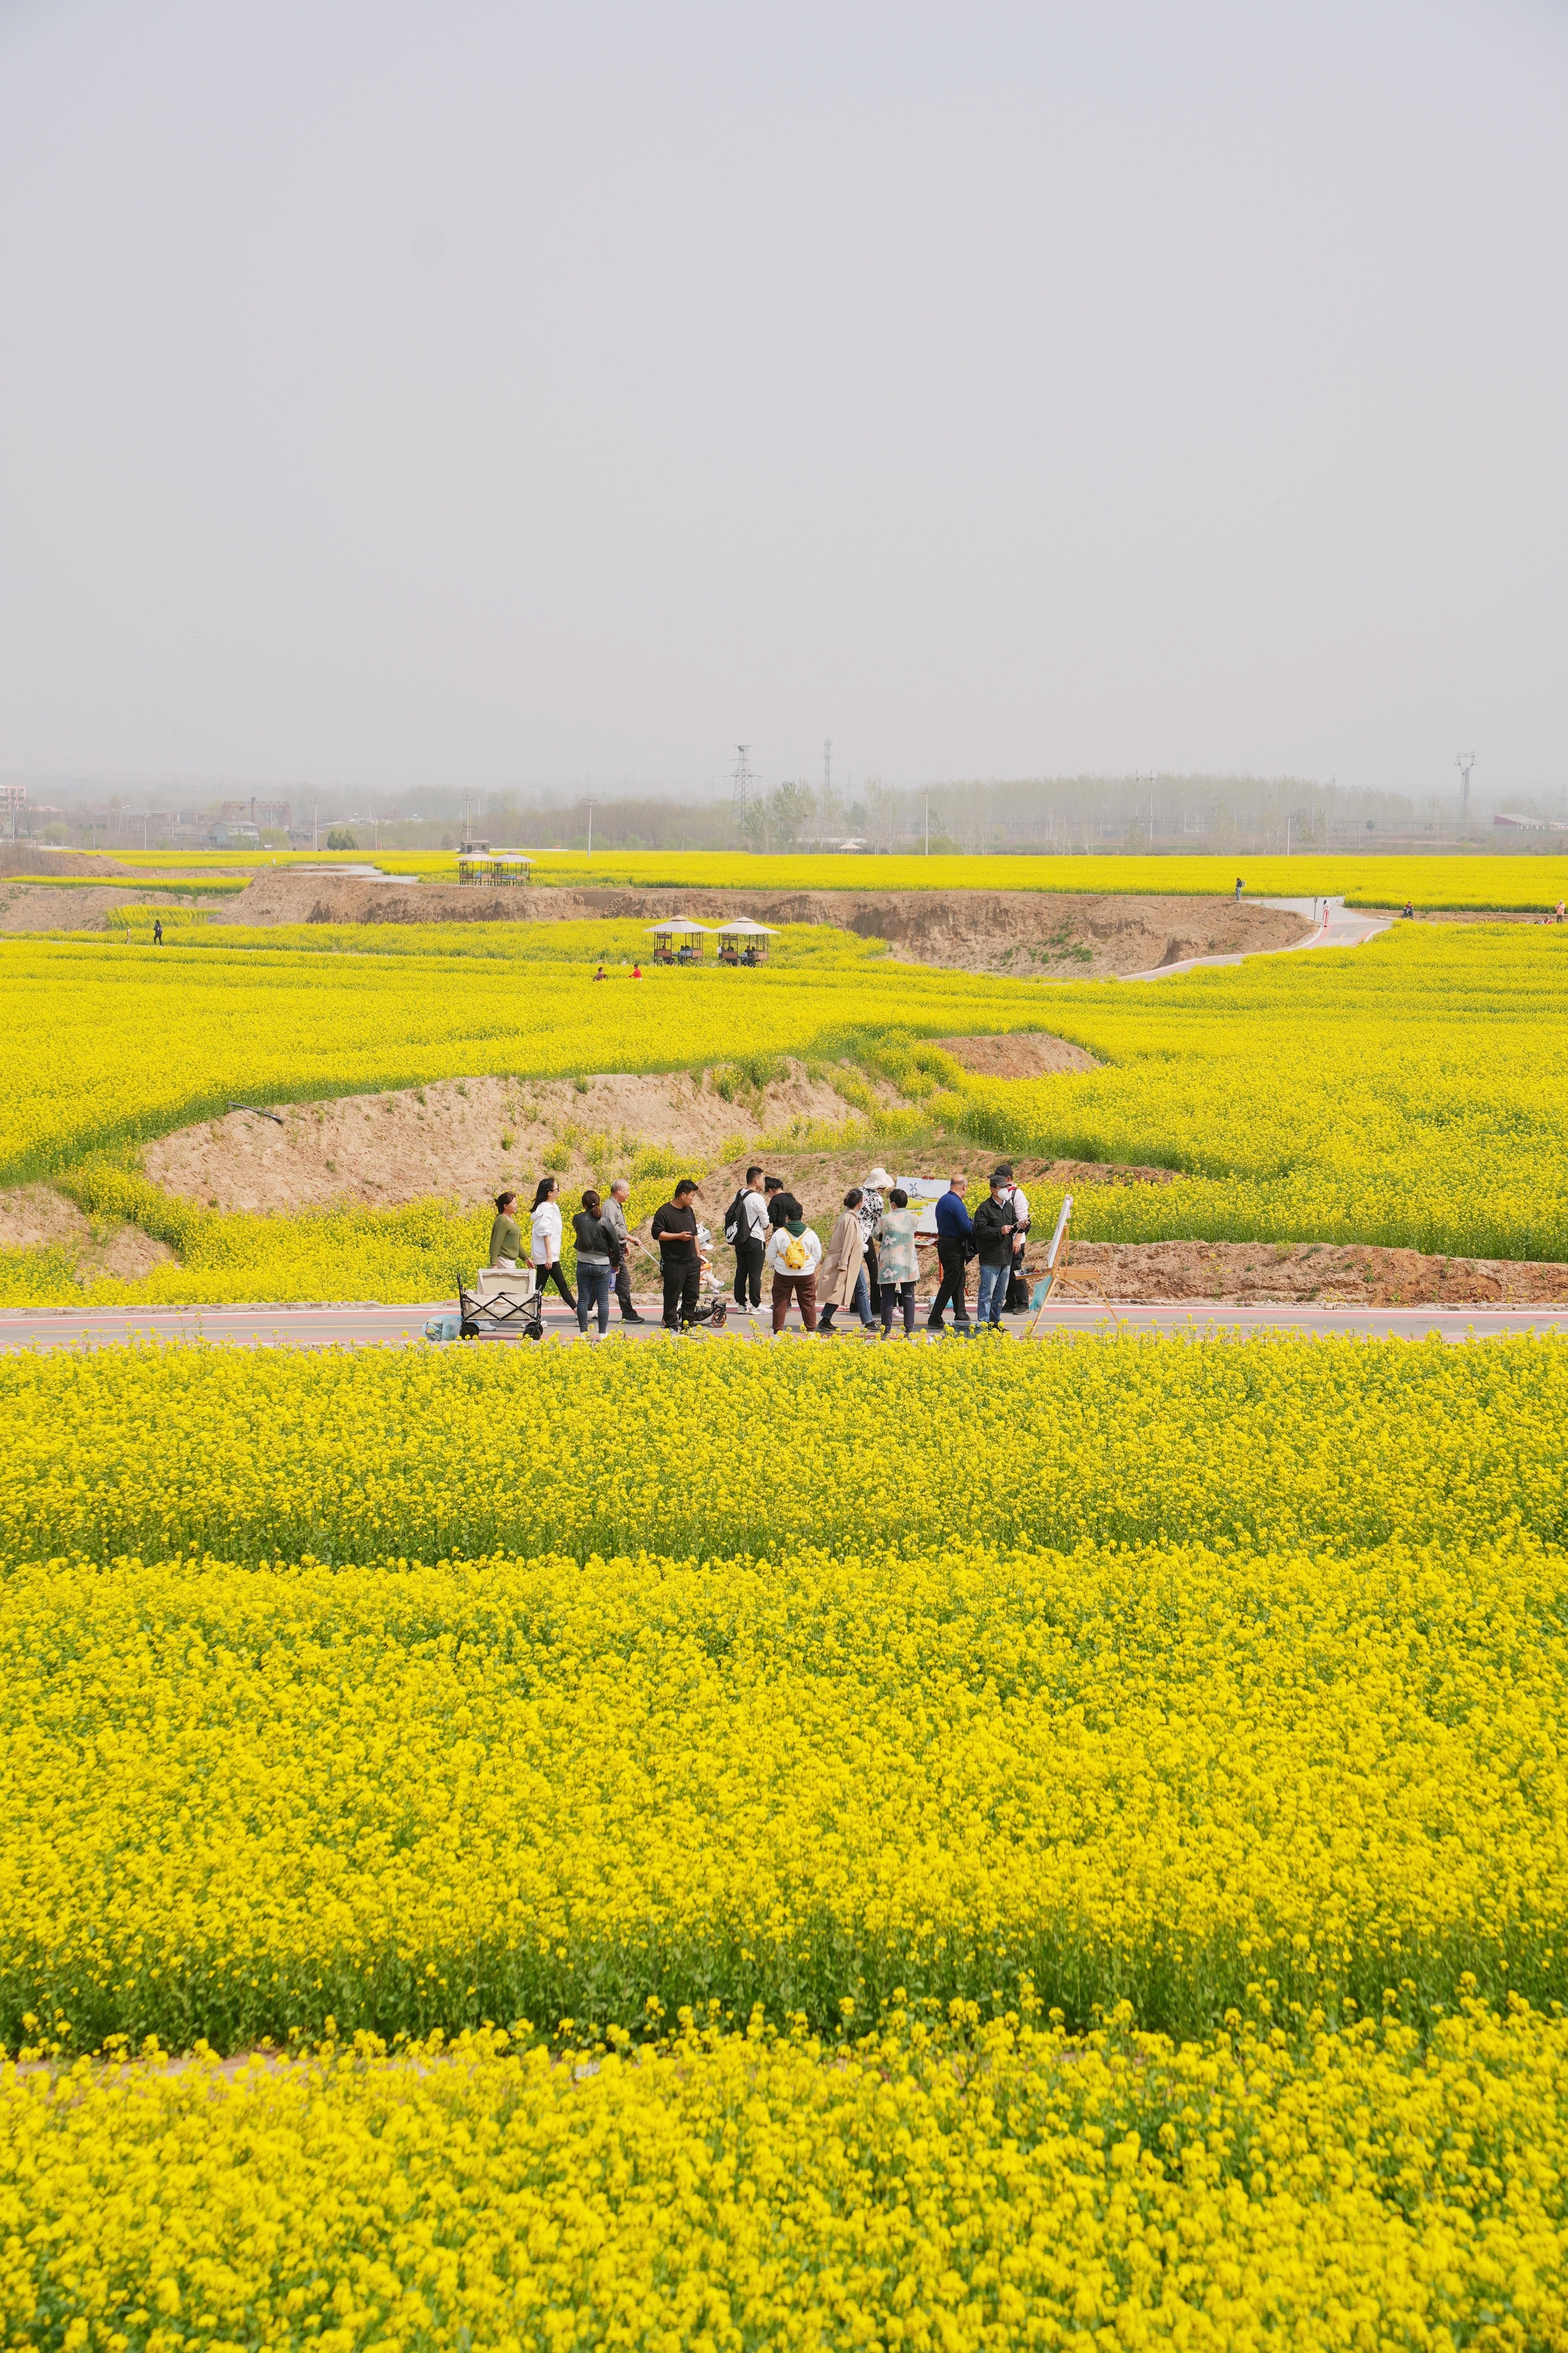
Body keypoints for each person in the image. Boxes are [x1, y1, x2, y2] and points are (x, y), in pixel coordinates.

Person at [818, 1188, 875, 1333]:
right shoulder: (850, 1219)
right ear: (860, 1203)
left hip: (851, 1259)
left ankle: (825, 1319)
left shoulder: (847, 1216)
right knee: (860, 1289)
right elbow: (849, 1243)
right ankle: (869, 1322)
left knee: (843, 1289)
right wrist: (844, 1264)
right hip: (850, 1260)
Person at [651, 1179, 702, 1330]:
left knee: (692, 1296)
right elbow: (657, 1234)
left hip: (692, 1261)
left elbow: (695, 1235)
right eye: (692, 1196)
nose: (693, 1199)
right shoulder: (664, 1212)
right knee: (672, 1297)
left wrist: (699, 1257)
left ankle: (687, 1326)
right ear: (683, 1195)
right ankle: (671, 1326)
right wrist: (678, 1236)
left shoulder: (689, 1211)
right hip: (674, 1263)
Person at [766, 1196, 822, 1331]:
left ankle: (777, 1332)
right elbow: (817, 1255)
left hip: (783, 1274)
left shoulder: (780, 1233)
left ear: (786, 1217)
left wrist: (775, 1266)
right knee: (808, 1302)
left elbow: (771, 1255)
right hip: (806, 1274)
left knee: (780, 1302)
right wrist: (809, 1265)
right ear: (802, 1216)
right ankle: (811, 1331)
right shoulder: (811, 1234)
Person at [572, 1187, 621, 1337]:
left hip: (583, 1263)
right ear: (598, 1203)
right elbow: (615, 1243)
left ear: (583, 1204)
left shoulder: (577, 1218)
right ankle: (602, 1334)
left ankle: (583, 1333)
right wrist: (616, 1264)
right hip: (602, 1265)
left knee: (583, 1300)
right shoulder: (604, 1220)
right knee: (603, 1301)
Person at [973, 1170, 1020, 1327]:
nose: (1006, 1189)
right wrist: (999, 1231)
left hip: (1005, 1258)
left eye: (1007, 1186)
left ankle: (995, 1323)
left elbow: (1014, 1225)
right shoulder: (984, 1208)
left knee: (1000, 1295)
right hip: (991, 1258)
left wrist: (1021, 1226)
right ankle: (984, 1324)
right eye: (1002, 1187)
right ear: (994, 1189)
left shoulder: (1009, 1207)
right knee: (987, 1294)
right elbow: (980, 1230)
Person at [927, 1175, 973, 1332]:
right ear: (964, 1188)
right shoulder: (958, 1204)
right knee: (951, 1281)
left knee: (959, 1278)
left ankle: (961, 1313)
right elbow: (967, 1228)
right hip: (954, 1246)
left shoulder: (943, 1200)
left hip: (944, 1243)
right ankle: (935, 1316)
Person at [529, 1175, 577, 1312]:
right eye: (558, 1189)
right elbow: (546, 1234)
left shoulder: (551, 1207)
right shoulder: (547, 1210)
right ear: (550, 1193)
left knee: (549, 1285)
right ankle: (529, 1316)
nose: (559, 1191)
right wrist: (549, 1256)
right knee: (544, 1286)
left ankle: (578, 1312)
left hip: (548, 1255)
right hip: (547, 1256)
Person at [877, 1187, 919, 1334]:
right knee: (909, 1295)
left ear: (893, 1204)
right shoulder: (914, 1217)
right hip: (908, 1262)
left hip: (889, 1262)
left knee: (888, 1296)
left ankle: (886, 1330)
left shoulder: (885, 1219)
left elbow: (876, 1234)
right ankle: (909, 1329)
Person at [727, 1165, 770, 1310]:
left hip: (740, 1239)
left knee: (741, 1271)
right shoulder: (757, 1198)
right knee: (754, 1274)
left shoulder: (738, 1194)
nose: (763, 1183)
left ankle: (741, 1304)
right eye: (762, 1179)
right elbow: (765, 1223)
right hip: (755, 1239)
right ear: (757, 1179)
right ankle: (756, 1305)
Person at [603, 1178, 645, 1323]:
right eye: (627, 1190)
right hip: (612, 1250)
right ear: (619, 1191)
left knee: (602, 1282)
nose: (629, 1193)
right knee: (623, 1281)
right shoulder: (609, 1206)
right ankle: (628, 1313)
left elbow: (617, 1228)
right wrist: (630, 1238)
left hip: (617, 1247)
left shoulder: (616, 1206)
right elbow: (611, 1227)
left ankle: (585, 1310)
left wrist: (625, 1243)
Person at [860, 1166, 891, 1317]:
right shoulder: (877, 1199)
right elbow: (879, 1222)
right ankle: (876, 1306)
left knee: (854, 1270)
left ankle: (854, 1305)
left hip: (852, 1234)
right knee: (874, 1271)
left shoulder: (860, 1191)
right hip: (865, 1235)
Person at [489, 1190, 524, 1269]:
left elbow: (515, 1243)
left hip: (509, 1261)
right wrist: (494, 1264)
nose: (517, 1205)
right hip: (503, 1260)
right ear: (506, 1206)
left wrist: (526, 1258)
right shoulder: (502, 1220)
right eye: (514, 1203)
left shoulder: (509, 1219)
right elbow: (496, 1243)